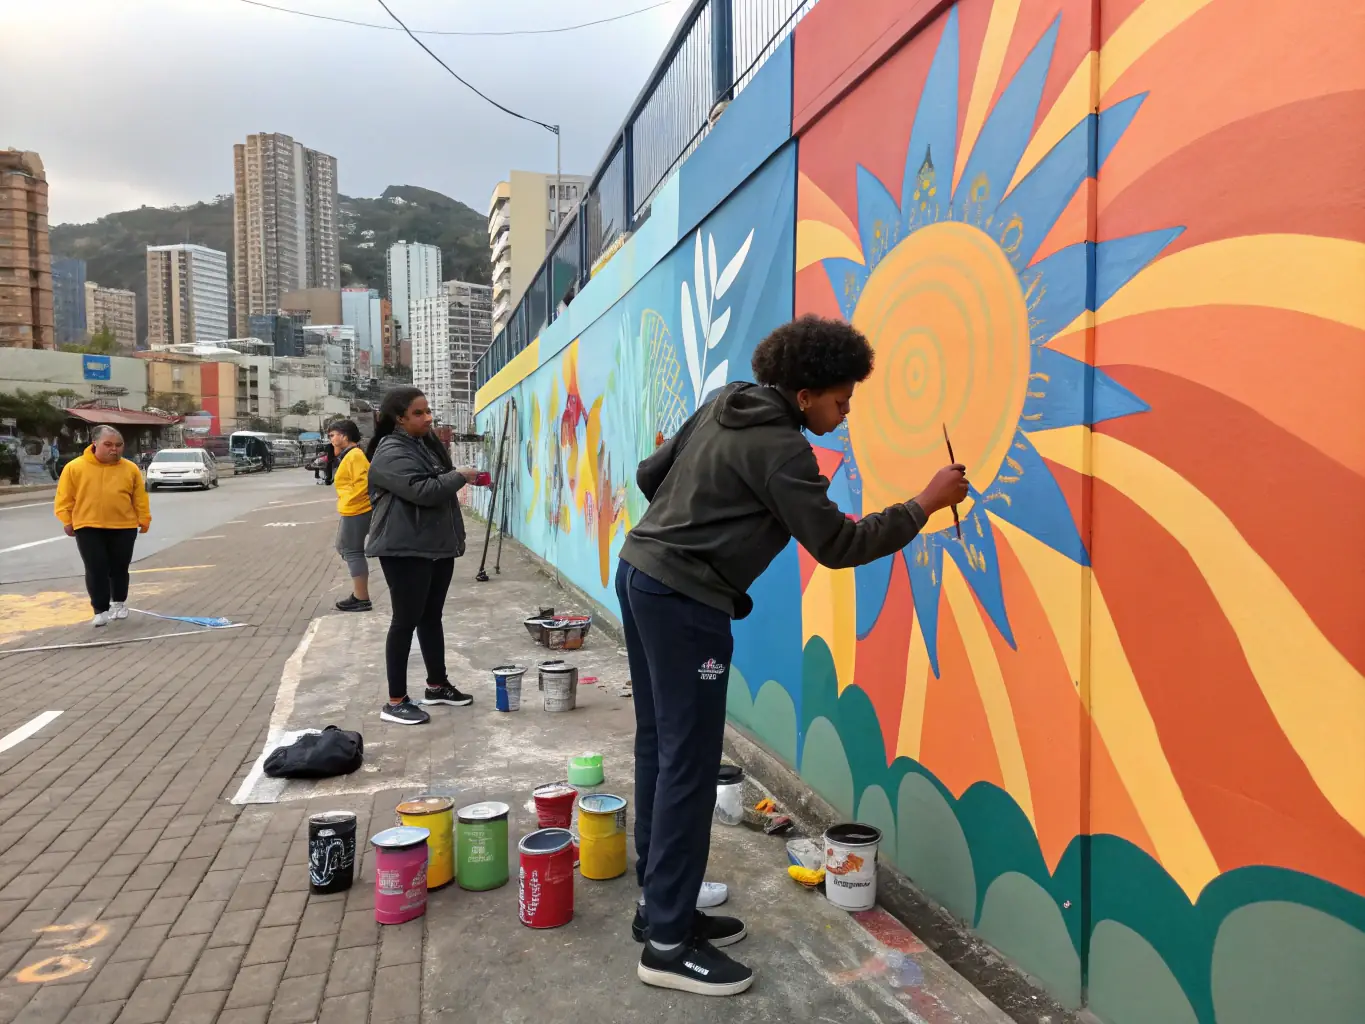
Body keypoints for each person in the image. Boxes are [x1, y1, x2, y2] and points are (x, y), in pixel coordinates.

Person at [616, 315, 969, 996]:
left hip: (639, 573)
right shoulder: (783, 449)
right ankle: (665, 943)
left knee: (660, 745)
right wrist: (924, 502)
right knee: (688, 763)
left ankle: (657, 908)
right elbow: (837, 545)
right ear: (804, 393)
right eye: (840, 401)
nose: (843, 414)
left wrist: (698, 519)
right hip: (686, 602)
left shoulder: (726, 400)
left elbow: (647, 473)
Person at [364, 387, 483, 725]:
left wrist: (456, 475)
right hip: (404, 549)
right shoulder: (390, 451)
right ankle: (396, 700)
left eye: (428, 410)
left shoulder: (423, 445)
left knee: (431, 617)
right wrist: (459, 475)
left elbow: (438, 483)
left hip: (434, 547)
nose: (428, 417)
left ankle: (437, 685)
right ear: (399, 418)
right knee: (405, 621)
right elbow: (424, 491)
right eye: (418, 413)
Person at [53, 425, 152, 627]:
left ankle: (118, 603)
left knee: (119, 567)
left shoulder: (130, 469)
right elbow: (64, 497)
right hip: (88, 526)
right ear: (95, 443)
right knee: (96, 567)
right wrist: (67, 520)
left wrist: (144, 519)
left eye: (118, 445)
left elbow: (139, 498)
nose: (114, 449)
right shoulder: (75, 467)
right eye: (108, 445)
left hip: (123, 526)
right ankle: (100, 610)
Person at [329, 419, 373, 612]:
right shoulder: (349, 455)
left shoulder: (355, 455)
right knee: (344, 547)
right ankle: (360, 594)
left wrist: (350, 503)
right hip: (352, 509)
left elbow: (364, 484)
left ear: (344, 436)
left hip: (357, 509)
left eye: (333, 435)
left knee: (352, 550)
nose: (331, 439)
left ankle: (361, 597)